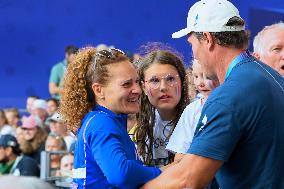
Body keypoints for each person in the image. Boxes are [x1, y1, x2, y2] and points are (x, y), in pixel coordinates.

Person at [142, 0, 284, 188]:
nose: (194, 53)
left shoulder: (229, 95)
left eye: (192, 44)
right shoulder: (269, 75)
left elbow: (190, 179)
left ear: (208, 39)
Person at [60, 47, 161, 189]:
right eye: (126, 84)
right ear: (98, 90)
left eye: (137, 81)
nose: (138, 90)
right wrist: (159, 172)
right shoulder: (101, 123)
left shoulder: (102, 120)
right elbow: (120, 174)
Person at [134, 50, 189, 167]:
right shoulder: (138, 123)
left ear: (182, 81)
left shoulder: (196, 118)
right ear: (143, 87)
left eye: (171, 79)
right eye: (155, 81)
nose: (163, 87)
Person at [166, 59, 218, 156]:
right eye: (196, 76)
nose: (199, 83)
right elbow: (180, 153)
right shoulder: (191, 110)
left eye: (206, 76)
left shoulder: (232, 106)